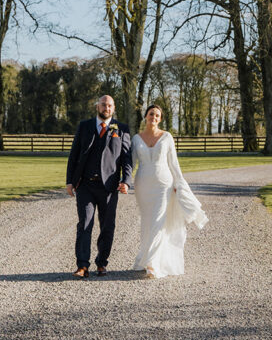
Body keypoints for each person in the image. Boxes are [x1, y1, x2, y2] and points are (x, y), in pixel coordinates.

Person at [131, 104, 208, 278]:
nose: (154, 118)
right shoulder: (136, 139)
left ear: (161, 119)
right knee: (147, 221)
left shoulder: (167, 137)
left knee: (159, 220)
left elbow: (174, 163)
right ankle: (145, 258)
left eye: (157, 115)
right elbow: (131, 163)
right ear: (146, 116)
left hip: (163, 185)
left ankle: (152, 263)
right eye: (151, 114)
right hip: (143, 185)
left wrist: (178, 183)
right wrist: (124, 181)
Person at [65, 95, 132, 278]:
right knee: (84, 224)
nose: (106, 108)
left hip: (109, 187)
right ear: (97, 106)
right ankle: (82, 266)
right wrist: (70, 181)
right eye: (103, 105)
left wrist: (126, 181)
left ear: (114, 107)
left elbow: (126, 159)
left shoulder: (122, 129)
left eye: (110, 105)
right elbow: (74, 155)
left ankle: (102, 263)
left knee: (107, 226)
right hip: (85, 185)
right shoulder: (84, 126)